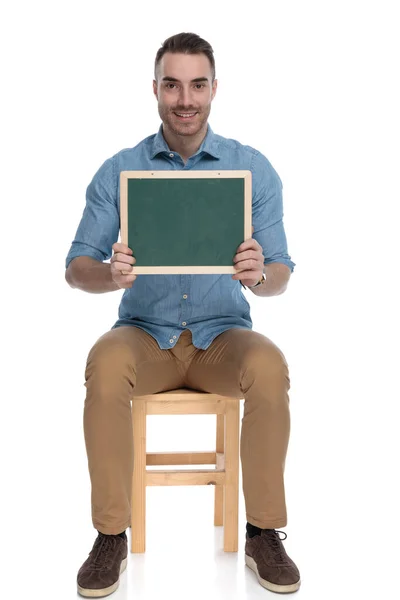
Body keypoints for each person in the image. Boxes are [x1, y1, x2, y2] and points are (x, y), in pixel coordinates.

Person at [66, 32, 300, 597]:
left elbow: (283, 272)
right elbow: (76, 267)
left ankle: (263, 531)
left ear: (214, 89)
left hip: (223, 338)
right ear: (155, 90)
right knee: (103, 364)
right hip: (145, 337)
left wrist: (258, 273)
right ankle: (109, 535)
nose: (185, 98)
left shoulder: (252, 169)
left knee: (270, 366)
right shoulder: (120, 171)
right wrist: (111, 273)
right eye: (172, 85)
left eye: (197, 85)